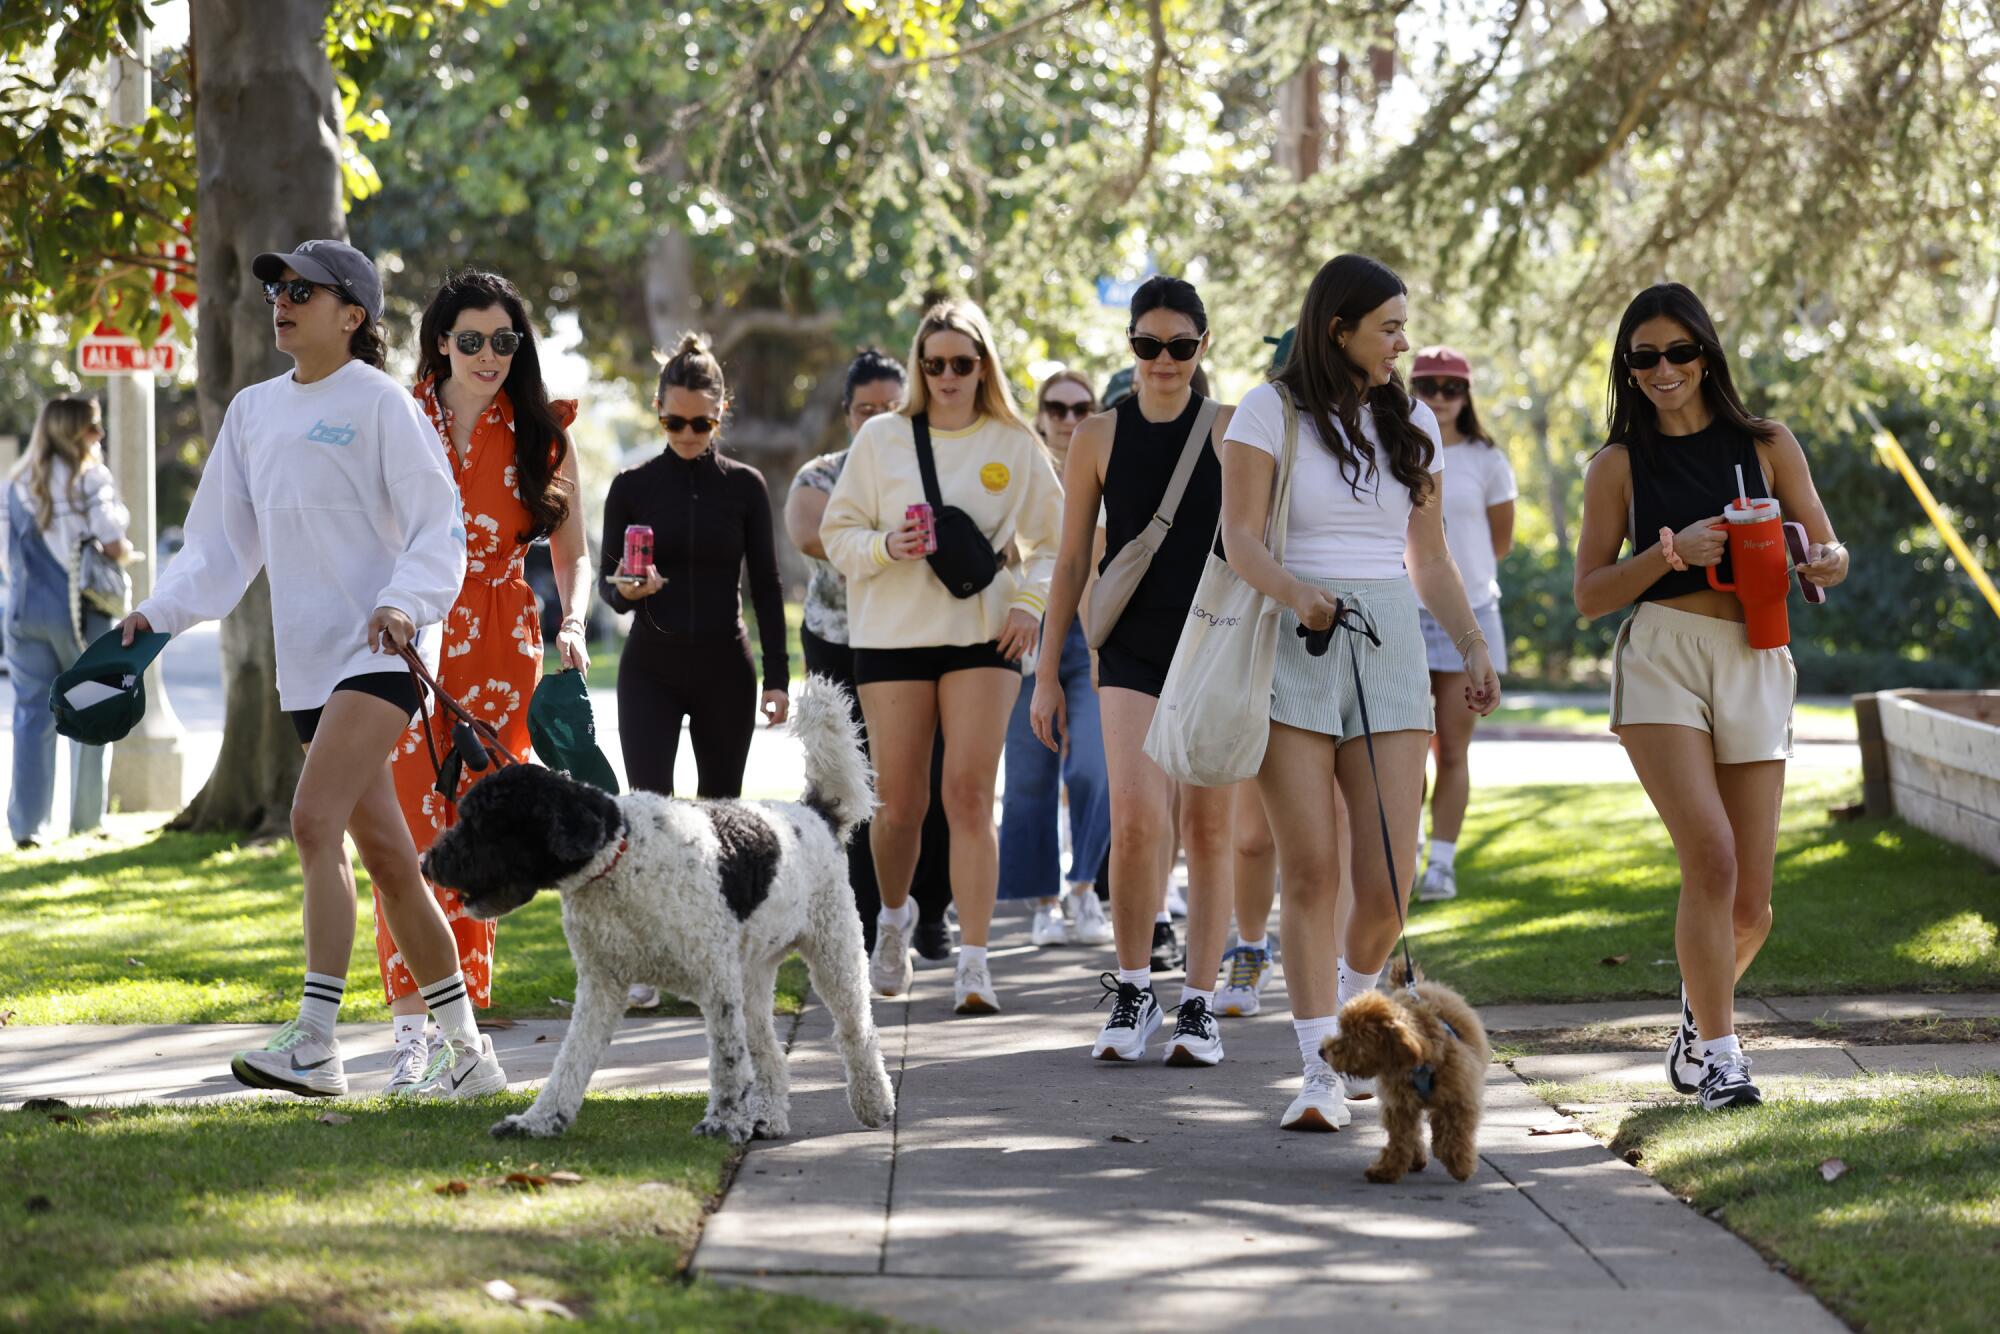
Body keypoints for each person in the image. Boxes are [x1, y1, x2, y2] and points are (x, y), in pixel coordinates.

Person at [120, 239, 505, 1098]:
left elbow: (438, 525)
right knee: (391, 860)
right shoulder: (253, 412)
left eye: (303, 290)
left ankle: (316, 1043)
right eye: (277, 291)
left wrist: (404, 601)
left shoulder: (380, 404)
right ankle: (469, 1055)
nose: (282, 302)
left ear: (353, 314)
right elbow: (219, 546)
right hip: (306, 666)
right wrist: (157, 614)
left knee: (310, 819)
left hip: (382, 652)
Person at [1217, 253, 1499, 1130]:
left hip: (1387, 647)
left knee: (1386, 885)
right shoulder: (1267, 410)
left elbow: (1430, 558)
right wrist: (1296, 592)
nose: (1402, 344)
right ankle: (1319, 1071)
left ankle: (1352, 1011)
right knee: (1310, 870)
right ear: (1338, 330)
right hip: (1294, 637)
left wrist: (1472, 644)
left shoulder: (1410, 419)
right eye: (1389, 328)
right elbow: (1238, 537)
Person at [1574, 282, 1846, 1111]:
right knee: (1712, 858)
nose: (1664, 370)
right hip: (1663, 657)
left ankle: (1699, 1019)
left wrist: (1828, 561)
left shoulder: (1767, 443)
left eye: (1679, 352)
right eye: (1645, 357)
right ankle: (1724, 1059)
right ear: (1628, 367)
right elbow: (1589, 594)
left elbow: (1826, 546)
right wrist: (1669, 554)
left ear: (1706, 353)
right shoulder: (1617, 465)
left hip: (1756, 654)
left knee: (1752, 907)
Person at [374, 269, 591, 1091]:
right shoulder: (398, 418)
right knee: (404, 835)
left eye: (504, 340)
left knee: (476, 829)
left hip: (502, 641)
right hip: (410, 633)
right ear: (441, 341)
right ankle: (410, 1036)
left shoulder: (542, 433)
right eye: (471, 340)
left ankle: (457, 1033)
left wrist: (572, 621)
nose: (489, 355)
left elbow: (571, 552)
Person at [820, 299, 1062, 1015]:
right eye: (935, 364)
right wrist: (883, 546)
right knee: (899, 806)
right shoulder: (883, 439)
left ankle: (975, 963)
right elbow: (837, 534)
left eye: (962, 362)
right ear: (920, 368)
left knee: (969, 795)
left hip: (984, 636)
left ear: (983, 366)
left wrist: (1030, 604)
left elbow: (1058, 543)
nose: (948, 375)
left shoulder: (1014, 442)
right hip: (891, 635)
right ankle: (894, 921)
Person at [1030, 274, 1241, 1067]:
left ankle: (1199, 1004)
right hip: (1127, 647)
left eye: (1180, 345)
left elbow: (1258, 540)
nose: (1164, 359)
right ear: (1130, 346)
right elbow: (1070, 560)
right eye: (1149, 344)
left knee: (1208, 828)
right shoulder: (1097, 436)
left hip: (1214, 646)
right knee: (1137, 821)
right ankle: (1134, 989)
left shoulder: (1230, 429)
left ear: (1202, 346)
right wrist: (1047, 671)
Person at [785, 348, 956, 963]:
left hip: (916, 638)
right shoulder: (822, 474)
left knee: (928, 777)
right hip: (838, 642)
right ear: (847, 413)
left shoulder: (932, 466)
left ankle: (930, 910)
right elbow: (810, 532)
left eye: (891, 406)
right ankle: (858, 915)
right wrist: (884, 542)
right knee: (847, 782)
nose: (878, 417)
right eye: (866, 409)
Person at [600, 334, 790, 802]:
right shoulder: (630, 487)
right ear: (657, 409)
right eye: (674, 422)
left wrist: (778, 679)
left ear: (722, 412)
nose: (687, 434)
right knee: (649, 814)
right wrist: (628, 592)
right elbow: (609, 587)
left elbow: (766, 586)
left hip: (725, 670)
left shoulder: (746, 487)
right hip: (649, 671)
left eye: (701, 424)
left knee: (722, 816)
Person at [1000, 370, 1113, 948]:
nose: (1069, 419)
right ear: (1040, 414)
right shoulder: (1018, 468)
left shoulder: (1110, 466)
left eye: (1080, 407)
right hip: (1028, 629)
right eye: (1056, 407)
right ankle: (1043, 902)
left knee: (1095, 764)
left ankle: (1085, 886)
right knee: (1028, 775)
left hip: (1092, 631)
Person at [1409, 347, 1517, 902]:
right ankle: (1406, 852)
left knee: (1452, 748)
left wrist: (1458, 586)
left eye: (1451, 387)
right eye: (1428, 386)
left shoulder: (1487, 459)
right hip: (1403, 614)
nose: (1440, 398)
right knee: (1405, 748)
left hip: (1470, 614)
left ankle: (1441, 864)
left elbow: (1500, 542)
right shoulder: (1396, 447)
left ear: (1466, 394)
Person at [5, 396, 130, 847]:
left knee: (30, 716)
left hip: (24, 612)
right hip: (81, 613)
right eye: (93, 427)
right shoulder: (90, 478)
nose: (100, 435)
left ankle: (28, 827)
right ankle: (86, 820)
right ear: (74, 432)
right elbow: (112, 541)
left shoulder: (15, 482)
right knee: (92, 708)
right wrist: (123, 553)